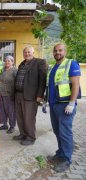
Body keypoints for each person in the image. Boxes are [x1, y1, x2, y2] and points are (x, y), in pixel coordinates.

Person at [46, 43, 81, 172]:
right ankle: (60, 153)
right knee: (57, 131)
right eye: (55, 51)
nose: (57, 52)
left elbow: (76, 84)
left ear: (65, 51)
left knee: (65, 132)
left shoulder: (71, 64)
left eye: (60, 50)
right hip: (54, 104)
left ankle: (67, 159)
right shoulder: (53, 67)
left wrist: (72, 103)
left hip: (65, 105)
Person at [13, 46, 47, 145]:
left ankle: (31, 137)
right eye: (25, 52)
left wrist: (40, 95)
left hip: (31, 95)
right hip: (18, 94)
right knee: (20, 116)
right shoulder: (22, 64)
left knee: (29, 117)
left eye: (29, 52)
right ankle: (23, 134)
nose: (27, 54)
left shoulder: (40, 62)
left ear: (33, 52)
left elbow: (42, 80)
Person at [0, 55, 17, 134]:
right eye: (6, 60)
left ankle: (12, 126)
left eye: (9, 61)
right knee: (2, 110)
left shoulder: (14, 70)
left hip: (9, 94)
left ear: (12, 62)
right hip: (1, 93)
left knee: (11, 111)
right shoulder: (3, 70)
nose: (7, 62)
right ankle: (4, 124)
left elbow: (17, 82)